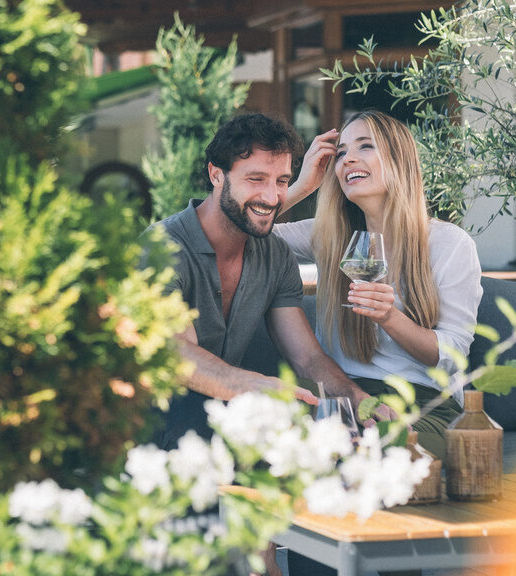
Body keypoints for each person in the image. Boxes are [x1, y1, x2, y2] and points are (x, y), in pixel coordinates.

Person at [145, 113, 393, 452]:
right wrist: (256, 387)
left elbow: (308, 359)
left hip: (223, 418)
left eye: (281, 181)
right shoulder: (161, 249)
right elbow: (176, 356)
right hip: (147, 421)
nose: (273, 196)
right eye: (256, 179)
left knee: (347, 443)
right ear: (217, 175)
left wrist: (358, 399)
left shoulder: (274, 254)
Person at [275, 110, 483, 460]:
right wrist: (301, 187)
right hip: (341, 394)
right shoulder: (327, 235)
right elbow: (246, 229)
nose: (348, 159)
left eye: (365, 146)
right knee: (264, 431)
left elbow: (452, 356)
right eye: (340, 153)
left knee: (368, 455)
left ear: (399, 160)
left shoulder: (449, 244)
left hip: (422, 404)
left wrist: (390, 318)